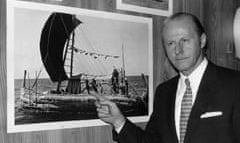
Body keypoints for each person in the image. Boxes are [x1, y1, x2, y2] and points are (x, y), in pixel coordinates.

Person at [94, 12, 240, 143]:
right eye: (171, 43)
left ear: (202, 41)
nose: (178, 50)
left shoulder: (234, 85)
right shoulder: (164, 92)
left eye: (185, 40)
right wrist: (119, 121)